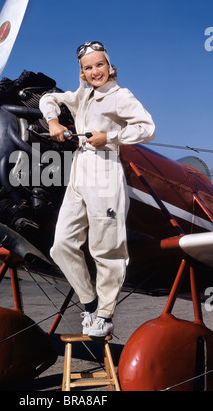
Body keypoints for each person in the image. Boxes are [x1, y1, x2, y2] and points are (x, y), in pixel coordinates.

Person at [39, 41, 155, 337]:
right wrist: (53, 121)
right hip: (79, 169)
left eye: (99, 65)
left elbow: (147, 128)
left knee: (106, 247)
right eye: (88, 67)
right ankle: (90, 304)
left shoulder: (120, 96)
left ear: (109, 66)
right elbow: (48, 99)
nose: (95, 71)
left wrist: (110, 136)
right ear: (82, 72)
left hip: (106, 168)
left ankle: (104, 314)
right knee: (61, 244)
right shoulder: (81, 95)